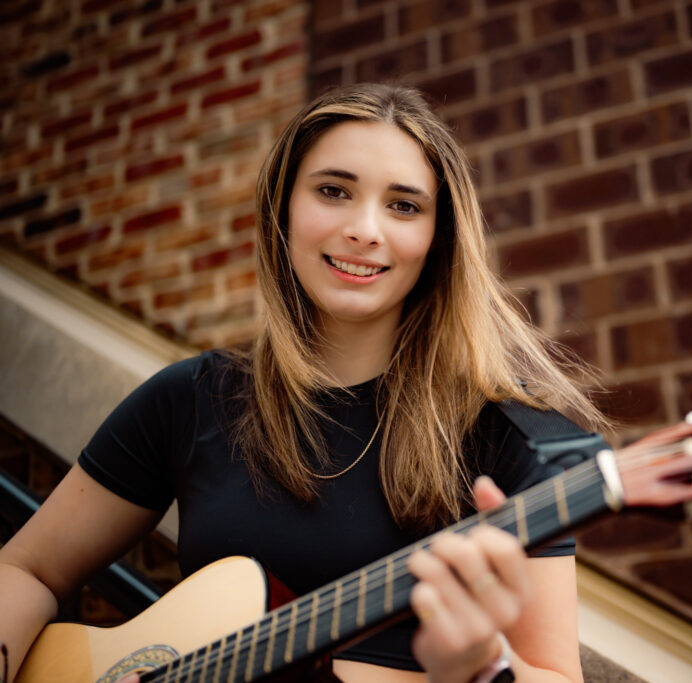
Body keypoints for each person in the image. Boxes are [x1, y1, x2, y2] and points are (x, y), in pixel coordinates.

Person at [0, 83, 609, 682]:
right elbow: (27, 567)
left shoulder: (514, 441)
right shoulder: (193, 400)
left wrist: (483, 670)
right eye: (333, 191)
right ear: (283, 208)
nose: (365, 229)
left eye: (403, 205)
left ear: (438, 238)